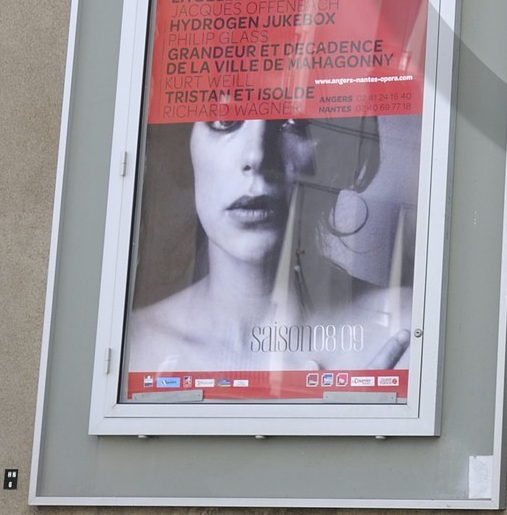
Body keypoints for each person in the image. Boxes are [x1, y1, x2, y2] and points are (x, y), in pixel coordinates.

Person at [124, 118, 411, 376]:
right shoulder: (132, 347)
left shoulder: (403, 332)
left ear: (337, 154)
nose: (257, 156)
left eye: (294, 122)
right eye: (225, 119)